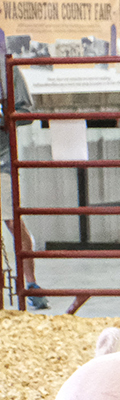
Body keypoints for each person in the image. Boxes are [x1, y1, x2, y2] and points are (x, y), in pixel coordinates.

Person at [0, 71, 43, 308]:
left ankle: (31, 285)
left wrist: (3, 117)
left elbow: (24, 112)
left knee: (12, 220)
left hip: (1, 158)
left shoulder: (5, 67)